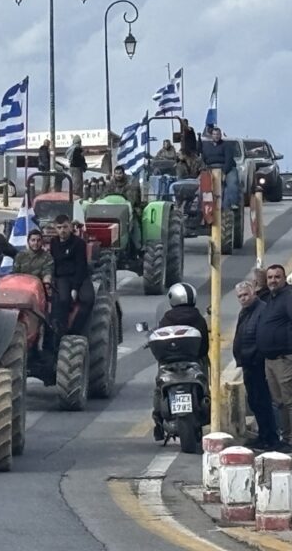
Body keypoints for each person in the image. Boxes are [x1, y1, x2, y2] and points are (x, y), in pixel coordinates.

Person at [256, 264, 292, 455]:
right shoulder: (272, 297)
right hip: (271, 359)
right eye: (270, 277)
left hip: (286, 357)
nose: (273, 280)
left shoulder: (290, 296)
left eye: (277, 277)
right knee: (280, 401)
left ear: (284, 278)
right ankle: (285, 438)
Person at [152, 282, 210, 440]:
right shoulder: (198, 319)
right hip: (194, 362)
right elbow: (204, 346)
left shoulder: (166, 319)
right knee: (206, 384)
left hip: (168, 365)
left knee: (159, 388)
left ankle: (157, 421)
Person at [233, 280, 279, 451]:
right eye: (240, 296)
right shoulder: (245, 312)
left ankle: (270, 437)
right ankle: (263, 436)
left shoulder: (261, 310)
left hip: (257, 363)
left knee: (263, 401)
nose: (243, 299)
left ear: (253, 293)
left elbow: (263, 337)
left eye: (246, 295)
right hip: (248, 363)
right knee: (255, 402)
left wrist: (256, 357)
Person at [48, 214, 94, 335]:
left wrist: (75, 288)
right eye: (59, 227)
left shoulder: (79, 243)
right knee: (63, 300)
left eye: (65, 227)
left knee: (88, 299)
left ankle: (75, 330)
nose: (62, 230)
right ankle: (61, 330)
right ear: (55, 228)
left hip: (79, 276)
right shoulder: (54, 243)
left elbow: (81, 266)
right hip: (62, 277)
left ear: (70, 227)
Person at [106, 165, 143, 250]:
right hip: (113, 209)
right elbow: (105, 196)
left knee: (134, 222)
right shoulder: (110, 184)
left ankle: (138, 245)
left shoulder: (131, 183)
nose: (118, 175)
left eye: (120, 173)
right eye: (116, 173)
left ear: (123, 173)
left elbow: (133, 199)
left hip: (130, 208)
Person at [201, 127, 239, 208]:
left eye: (218, 134)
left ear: (220, 135)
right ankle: (201, 205)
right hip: (210, 168)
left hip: (226, 167)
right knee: (202, 183)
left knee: (232, 181)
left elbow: (229, 160)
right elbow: (203, 159)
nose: (216, 136)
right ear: (211, 136)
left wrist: (224, 172)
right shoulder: (206, 146)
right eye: (214, 134)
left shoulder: (226, 145)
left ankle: (232, 203)